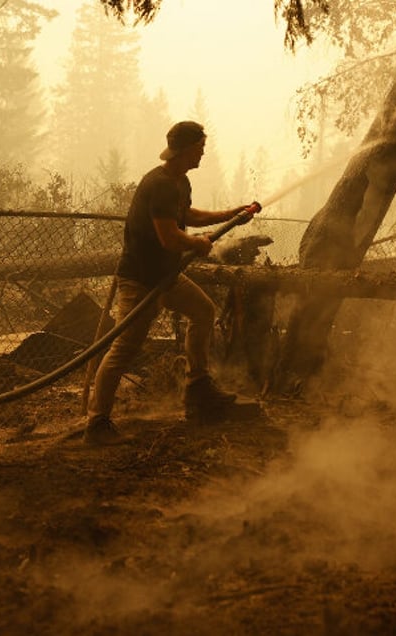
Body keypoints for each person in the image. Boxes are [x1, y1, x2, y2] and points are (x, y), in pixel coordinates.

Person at [85, 120, 260, 446]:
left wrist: (229, 215)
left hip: (165, 277)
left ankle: (198, 387)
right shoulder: (160, 184)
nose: (203, 155)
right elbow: (169, 237)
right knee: (124, 349)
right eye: (200, 149)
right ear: (187, 149)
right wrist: (198, 244)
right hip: (140, 282)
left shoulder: (180, 182)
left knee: (204, 312)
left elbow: (186, 216)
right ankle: (96, 423)